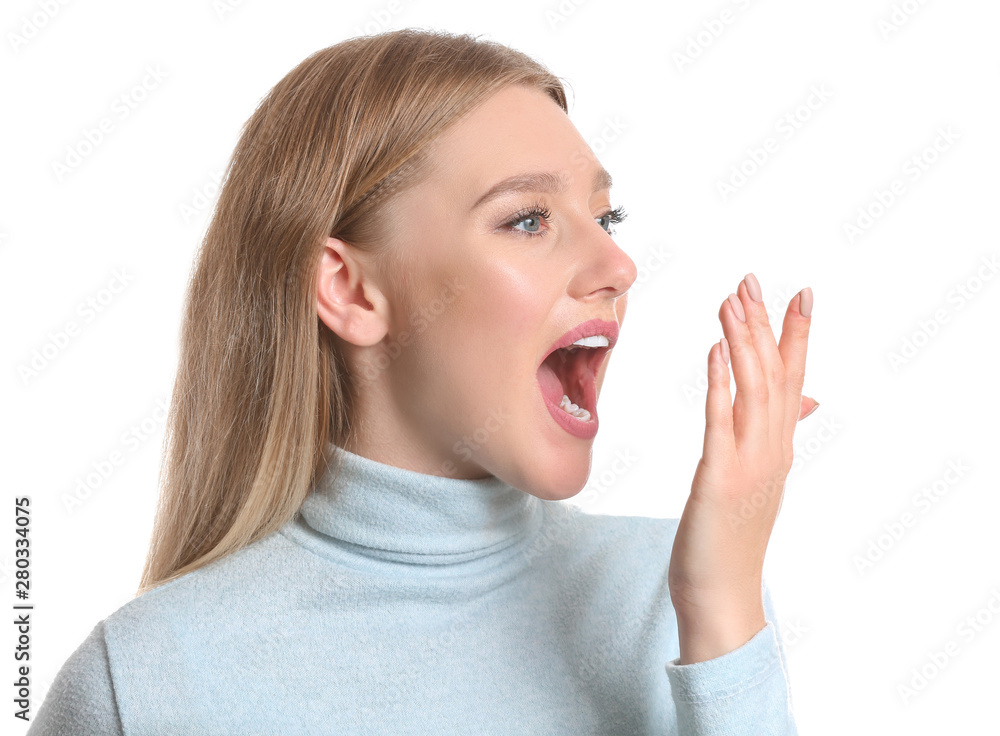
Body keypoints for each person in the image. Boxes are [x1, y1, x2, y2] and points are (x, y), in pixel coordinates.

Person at [28, 28, 816, 734]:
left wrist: (720, 611)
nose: (618, 267)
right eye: (528, 219)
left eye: (605, 219)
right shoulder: (143, 684)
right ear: (349, 290)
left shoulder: (678, 599)